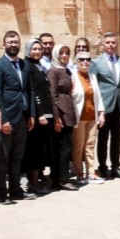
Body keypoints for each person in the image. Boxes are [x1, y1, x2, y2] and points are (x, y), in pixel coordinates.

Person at [0, 31, 34, 204]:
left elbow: (29, 90)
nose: (13, 45)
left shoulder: (24, 65)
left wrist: (31, 114)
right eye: (10, 42)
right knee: (3, 157)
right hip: (6, 118)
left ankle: (15, 190)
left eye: (16, 42)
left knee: (17, 156)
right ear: (4, 44)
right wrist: (3, 119)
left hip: (22, 117)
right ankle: (2, 193)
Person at [89, 32, 120, 180]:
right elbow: (93, 85)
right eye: (108, 43)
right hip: (104, 107)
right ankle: (102, 167)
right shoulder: (96, 63)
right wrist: (97, 108)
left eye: (113, 42)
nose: (111, 45)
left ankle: (116, 167)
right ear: (102, 45)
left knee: (117, 139)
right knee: (103, 139)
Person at [47, 45, 80, 190]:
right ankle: (62, 179)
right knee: (63, 147)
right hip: (60, 114)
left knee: (66, 146)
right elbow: (52, 95)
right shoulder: (53, 71)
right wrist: (56, 117)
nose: (64, 56)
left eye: (67, 53)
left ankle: (59, 177)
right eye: (61, 53)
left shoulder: (66, 70)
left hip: (68, 111)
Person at [24, 40, 55, 193]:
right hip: (37, 116)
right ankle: (33, 182)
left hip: (44, 114)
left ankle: (38, 178)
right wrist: (39, 113)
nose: (37, 52)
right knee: (34, 150)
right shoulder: (28, 66)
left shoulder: (38, 65)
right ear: (28, 50)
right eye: (34, 49)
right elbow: (33, 91)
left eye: (39, 49)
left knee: (41, 148)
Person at [69, 51, 102, 185]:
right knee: (78, 146)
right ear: (76, 62)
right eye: (81, 60)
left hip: (92, 116)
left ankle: (91, 172)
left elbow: (98, 96)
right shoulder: (73, 77)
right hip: (79, 117)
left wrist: (101, 113)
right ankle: (79, 173)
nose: (85, 62)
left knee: (90, 145)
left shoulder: (92, 76)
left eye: (88, 60)